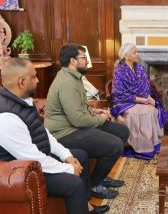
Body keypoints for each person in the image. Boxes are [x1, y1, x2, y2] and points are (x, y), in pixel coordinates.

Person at [0, 58, 109, 214]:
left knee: (80, 156)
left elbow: (43, 134)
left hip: (34, 161)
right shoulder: (5, 117)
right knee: (74, 184)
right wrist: (68, 169)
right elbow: (30, 156)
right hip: (20, 173)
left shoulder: (23, 101)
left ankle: (85, 207)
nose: (37, 81)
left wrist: (66, 156)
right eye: (34, 77)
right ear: (21, 82)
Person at [44, 44, 130, 199]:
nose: (87, 61)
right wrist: (101, 118)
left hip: (75, 126)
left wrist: (94, 111)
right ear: (73, 61)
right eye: (83, 58)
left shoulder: (74, 77)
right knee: (115, 145)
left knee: (122, 131)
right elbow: (77, 120)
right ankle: (95, 185)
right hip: (64, 133)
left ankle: (101, 177)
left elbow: (78, 108)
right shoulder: (67, 82)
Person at [110, 43, 168, 160]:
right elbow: (119, 92)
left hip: (142, 99)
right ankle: (141, 148)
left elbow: (146, 85)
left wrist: (149, 97)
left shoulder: (139, 67)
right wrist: (142, 100)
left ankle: (152, 145)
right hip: (124, 102)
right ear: (126, 56)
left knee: (152, 110)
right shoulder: (119, 70)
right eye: (134, 52)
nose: (137, 54)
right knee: (144, 112)